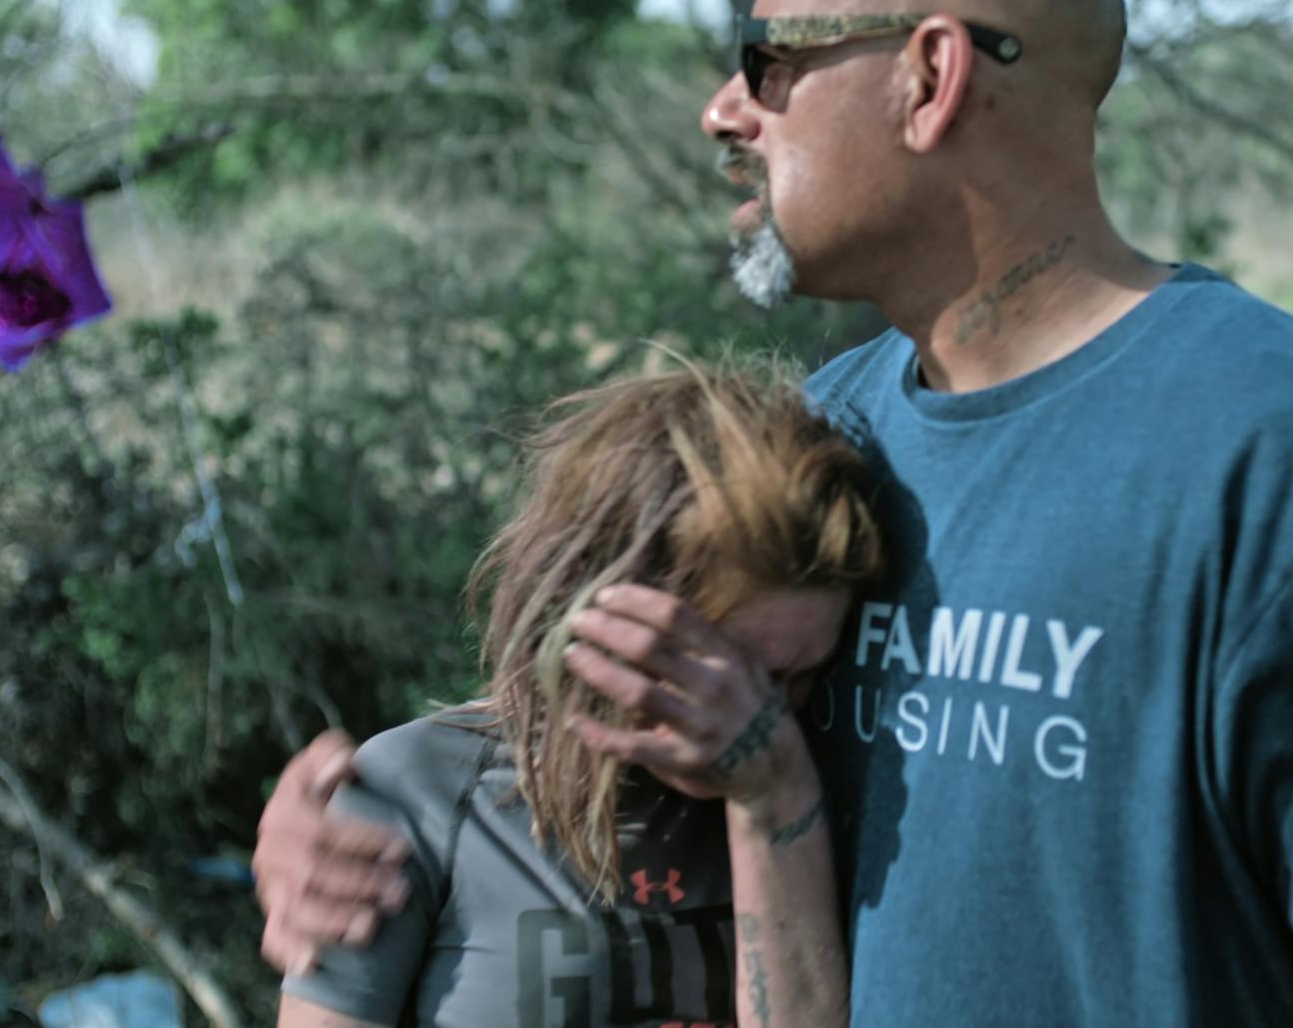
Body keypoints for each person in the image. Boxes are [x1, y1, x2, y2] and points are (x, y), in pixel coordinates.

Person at [254, 0, 1293, 1025]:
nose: (723, 109)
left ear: (930, 77)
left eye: (769, 63)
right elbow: (636, 709)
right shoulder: (834, 434)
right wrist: (350, 821)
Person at [274, 360, 882, 1028]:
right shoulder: (417, 792)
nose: (768, 716)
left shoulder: (816, 785)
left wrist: (775, 800)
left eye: (803, 677)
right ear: (600, 618)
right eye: (736, 674)